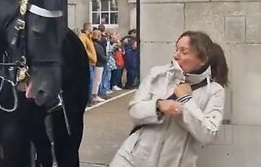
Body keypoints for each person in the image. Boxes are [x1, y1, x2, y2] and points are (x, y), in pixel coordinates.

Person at [110, 31, 228, 167]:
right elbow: (134, 110)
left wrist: (186, 101)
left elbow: (208, 134)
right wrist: (158, 107)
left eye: (184, 52)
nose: (176, 55)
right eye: (176, 49)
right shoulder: (157, 74)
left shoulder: (214, 91)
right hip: (132, 159)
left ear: (202, 59)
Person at [79, 23, 97, 100]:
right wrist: (90, 57)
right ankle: (87, 99)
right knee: (89, 81)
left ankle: (89, 98)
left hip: (92, 63)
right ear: (88, 28)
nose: (92, 29)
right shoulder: (83, 37)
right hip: (88, 63)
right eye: (91, 28)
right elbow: (83, 49)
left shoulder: (88, 37)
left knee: (91, 81)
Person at [91, 29, 107, 104]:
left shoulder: (95, 43)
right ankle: (94, 95)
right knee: (96, 80)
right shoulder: (96, 44)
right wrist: (105, 59)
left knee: (97, 80)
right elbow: (100, 54)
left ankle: (95, 94)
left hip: (99, 63)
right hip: (98, 63)